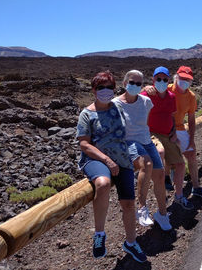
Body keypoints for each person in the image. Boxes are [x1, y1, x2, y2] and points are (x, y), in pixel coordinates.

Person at [76, 71, 146, 262]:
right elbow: (84, 144)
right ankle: (99, 235)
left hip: (122, 159)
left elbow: (126, 134)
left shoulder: (117, 107)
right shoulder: (87, 114)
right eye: (101, 87)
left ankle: (131, 242)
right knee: (103, 183)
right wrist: (107, 160)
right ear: (93, 90)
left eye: (109, 87)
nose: (105, 91)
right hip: (96, 159)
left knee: (129, 204)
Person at [113, 70, 171, 231]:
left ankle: (162, 213)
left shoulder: (145, 101)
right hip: (129, 142)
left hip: (146, 141)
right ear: (124, 84)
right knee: (146, 163)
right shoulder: (116, 104)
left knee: (159, 175)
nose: (135, 86)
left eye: (139, 84)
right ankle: (142, 208)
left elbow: (144, 123)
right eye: (132, 83)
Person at [141, 66, 194, 210]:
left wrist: (174, 132)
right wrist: (143, 88)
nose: (161, 82)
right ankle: (162, 188)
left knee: (181, 164)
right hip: (151, 133)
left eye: (165, 79)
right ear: (153, 80)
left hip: (168, 133)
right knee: (160, 153)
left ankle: (178, 196)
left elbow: (171, 116)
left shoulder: (171, 96)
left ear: (168, 80)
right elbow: (133, 99)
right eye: (158, 79)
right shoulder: (147, 94)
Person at [168, 66, 202, 199]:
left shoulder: (191, 96)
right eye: (182, 78)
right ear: (176, 77)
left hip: (180, 128)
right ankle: (170, 189)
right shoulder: (167, 89)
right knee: (171, 159)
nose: (184, 81)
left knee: (192, 154)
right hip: (164, 128)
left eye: (187, 79)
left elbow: (192, 120)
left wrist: (192, 139)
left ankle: (196, 187)